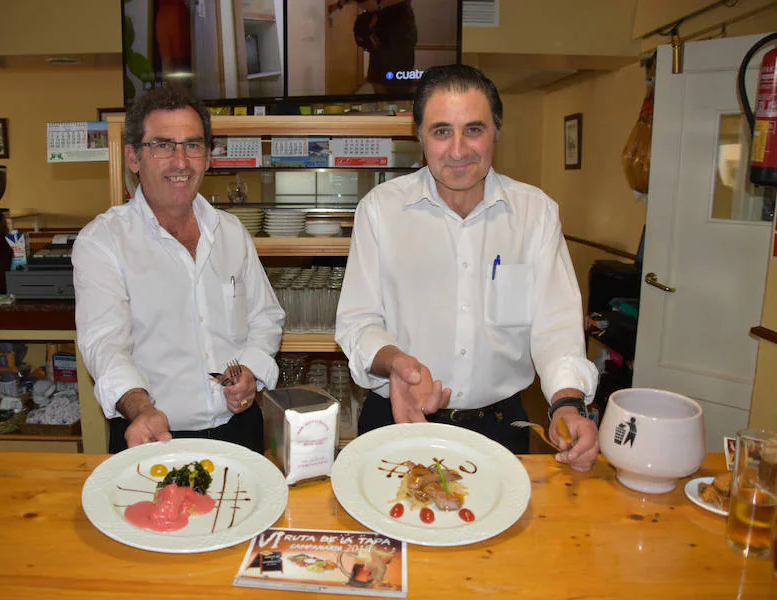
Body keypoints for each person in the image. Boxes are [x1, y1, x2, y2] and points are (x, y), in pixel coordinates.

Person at [335, 64, 600, 470]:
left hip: (500, 430)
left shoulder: (535, 213)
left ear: (496, 131)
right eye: (441, 131)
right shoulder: (381, 210)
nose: (458, 150)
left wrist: (567, 403)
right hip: (399, 418)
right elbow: (358, 322)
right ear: (419, 136)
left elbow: (557, 327)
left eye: (473, 130)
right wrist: (397, 362)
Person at [73, 84, 285, 454]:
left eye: (193, 145)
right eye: (162, 145)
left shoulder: (231, 232)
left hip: (241, 432)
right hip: (153, 435)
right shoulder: (103, 241)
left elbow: (266, 318)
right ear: (134, 158)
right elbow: (104, 346)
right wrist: (141, 409)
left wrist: (251, 370)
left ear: (207, 157)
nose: (181, 161)